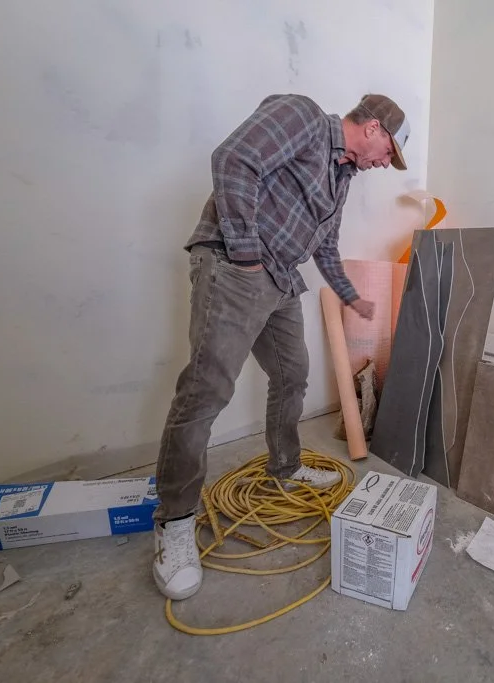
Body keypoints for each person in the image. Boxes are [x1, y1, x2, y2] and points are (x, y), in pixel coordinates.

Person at [151, 93, 410, 600]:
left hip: (280, 279)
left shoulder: (343, 177)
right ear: (374, 128)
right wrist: (246, 253)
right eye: (388, 153)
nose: (384, 164)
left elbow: (326, 247)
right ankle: (175, 521)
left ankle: (285, 467)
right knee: (206, 390)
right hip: (234, 265)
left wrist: (352, 296)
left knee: (293, 374)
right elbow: (233, 159)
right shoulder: (305, 118)